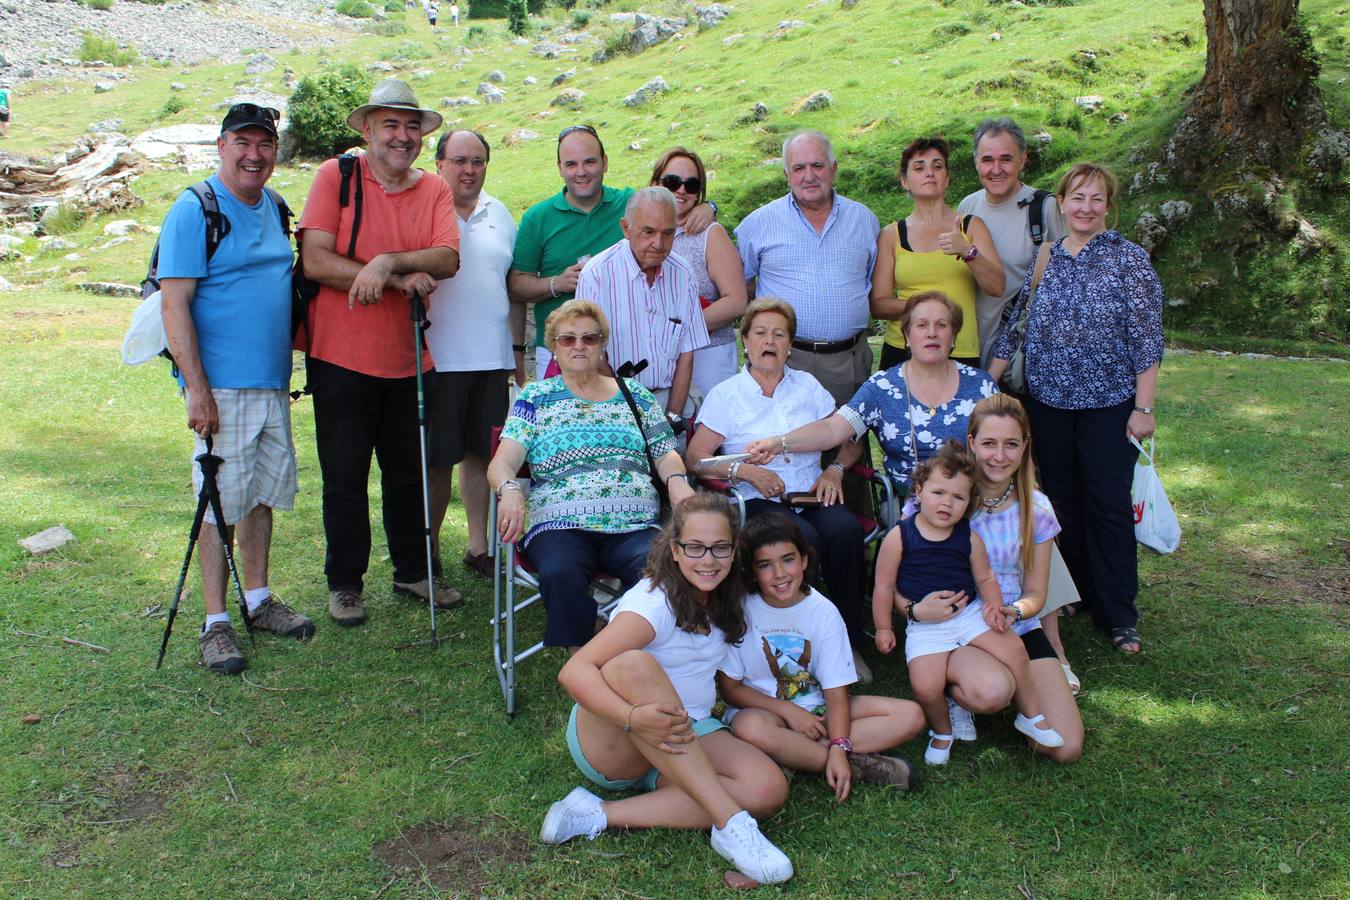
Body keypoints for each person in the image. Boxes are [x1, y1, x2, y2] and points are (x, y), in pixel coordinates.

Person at [542, 492, 794, 885]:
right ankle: (731, 827)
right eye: (695, 547)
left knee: (767, 788)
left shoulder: (728, 598)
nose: (707, 560)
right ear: (675, 550)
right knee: (634, 663)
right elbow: (574, 671)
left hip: (686, 728)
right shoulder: (653, 602)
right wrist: (633, 717)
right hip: (617, 736)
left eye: (719, 548)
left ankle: (595, 813)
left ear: (734, 551)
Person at [298, 80, 460, 627]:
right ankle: (345, 583)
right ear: (367, 130)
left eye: (412, 126)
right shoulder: (334, 176)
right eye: (390, 124)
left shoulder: (434, 188)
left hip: (409, 357)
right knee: (344, 476)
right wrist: (394, 279)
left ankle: (414, 570)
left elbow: (446, 258)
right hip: (339, 355)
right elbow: (315, 262)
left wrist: (386, 260)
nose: (403, 136)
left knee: (408, 473)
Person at [159, 103, 313, 674]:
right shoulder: (194, 208)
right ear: (221, 145)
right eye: (242, 142)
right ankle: (216, 621)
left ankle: (259, 597)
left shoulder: (274, 206)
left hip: (272, 383)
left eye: (265, 144)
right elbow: (174, 306)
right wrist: (196, 389)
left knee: (262, 495)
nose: (254, 154)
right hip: (220, 387)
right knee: (218, 504)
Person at [990, 163, 1164, 655]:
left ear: (1108, 205)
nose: (1085, 207)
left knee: (1107, 504)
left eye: (1096, 198)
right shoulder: (1049, 256)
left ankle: (1118, 612)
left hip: (1109, 405)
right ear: (1062, 203)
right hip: (1049, 403)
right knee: (1062, 502)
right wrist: (992, 379)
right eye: (1077, 198)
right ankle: (1078, 592)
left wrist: (1143, 407)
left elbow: (1147, 341)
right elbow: (1017, 324)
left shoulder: (1129, 261)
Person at [487, 300, 696, 650]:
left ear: (602, 346)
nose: (579, 346)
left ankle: (634, 646)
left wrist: (677, 483)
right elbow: (502, 462)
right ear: (553, 347)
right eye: (567, 339)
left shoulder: (635, 395)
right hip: (560, 526)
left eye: (589, 338)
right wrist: (509, 489)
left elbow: (666, 454)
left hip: (634, 525)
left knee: (660, 574)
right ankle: (585, 658)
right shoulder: (537, 397)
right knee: (558, 574)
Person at [687, 299, 870, 673]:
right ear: (746, 342)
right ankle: (800, 644)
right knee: (803, 541)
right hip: (756, 501)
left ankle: (848, 641)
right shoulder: (728, 394)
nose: (769, 341)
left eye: (779, 334)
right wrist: (744, 471)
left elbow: (852, 437)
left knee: (847, 533)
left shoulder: (808, 386)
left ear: (789, 345)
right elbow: (697, 460)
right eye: (760, 333)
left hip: (813, 493)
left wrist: (834, 470)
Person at [871, 441, 1063, 765]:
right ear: (918, 491)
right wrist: (883, 628)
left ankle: (1031, 715)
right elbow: (883, 586)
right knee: (925, 685)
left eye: (958, 497)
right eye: (938, 493)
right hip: (925, 625)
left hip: (968, 615)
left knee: (1015, 650)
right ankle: (942, 730)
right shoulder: (900, 537)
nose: (947, 503)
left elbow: (986, 578)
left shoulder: (969, 537)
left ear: (968, 504)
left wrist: (993, 608)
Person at [717, 513, 923, 798]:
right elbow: (729, 689)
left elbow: (836, 693)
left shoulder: (823, 612)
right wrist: (787, 711)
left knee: (910, 715)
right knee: (750, 728)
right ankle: (856, 764)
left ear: (804, 560)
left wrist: (838, 743)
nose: (779, 573)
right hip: (764, 713)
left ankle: (794, 755)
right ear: (752, 572)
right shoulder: (741, 610)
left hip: (820, 712)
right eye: (765, 565)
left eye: (788, 560)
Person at [745, 291, 997, 500]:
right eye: (922, 325)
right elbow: (833, 430)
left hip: (973, 503)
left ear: (953, 336)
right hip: (911, 508)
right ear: (907, 336)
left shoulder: (980, 385)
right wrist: (780, 443)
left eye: (941, 325)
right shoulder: (882, 387)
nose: (932, 333)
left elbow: (1004, 446)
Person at [510, 126, 715, 380]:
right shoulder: (537, 218)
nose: (582, 172)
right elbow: (516, 284)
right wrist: (557, 283)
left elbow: (664, 209)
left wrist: (708, 206)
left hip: (629, 351)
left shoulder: (628, 201)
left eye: (590, 162)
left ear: (605, 163)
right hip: (560, 351)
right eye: (571, 164)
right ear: (560, 167)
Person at [946, 394, 1085, 761]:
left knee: (1064, 747)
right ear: (972, 442)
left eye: (1011, 444)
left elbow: (1037, 593)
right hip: (957, 627)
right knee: (991, 692)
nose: (999, 456)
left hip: (1014, 625)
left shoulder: (1036, 508)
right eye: (989, 443)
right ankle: (964, 690)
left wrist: (1016, 612)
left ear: (1025, 447)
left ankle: (1015, 688)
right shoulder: (945, 498)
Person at [425, 130, 518, 584]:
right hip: (440, 359)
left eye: (478, 161)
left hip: (492, 358)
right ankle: (429, 551)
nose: (469, 169)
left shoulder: (499, 212)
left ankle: (478, 546)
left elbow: (509, 283)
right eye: (459, 160)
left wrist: (515, 353)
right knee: (437, 461)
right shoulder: (424, 209)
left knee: (483, 457)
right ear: (439, 163)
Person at [735, 130, 880, 406]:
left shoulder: (864, 220)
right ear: (786, 175)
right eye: (798, 168)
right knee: (786, 445)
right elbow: (738, 285)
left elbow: (868, 280)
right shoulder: (758, 224)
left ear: (834, 169)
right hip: (787, 359)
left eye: (817, 165)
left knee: (849, 445)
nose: (808, 176)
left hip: (850, 361)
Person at [870, 136, 1004, 371]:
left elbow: (996, 287)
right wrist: (926, 307)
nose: (929, 173)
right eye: (919, 168)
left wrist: (968, 251)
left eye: (937, 166)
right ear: (905, 181)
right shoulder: (892, 234)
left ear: (947, 179)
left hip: (960, 349)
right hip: (903, 349)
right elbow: (879, 305)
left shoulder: (971, 227)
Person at [576, 187, 710, 419]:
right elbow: (593, 354)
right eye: (648, 232)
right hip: (612, 405)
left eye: (668, 233)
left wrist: (673, 417)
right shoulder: (596, 275)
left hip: (669, 399)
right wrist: (624, 415)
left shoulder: (683, 273)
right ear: (626, 228)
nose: (658, 243)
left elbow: (686, 354)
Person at [958, 118, 1065, 369]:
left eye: (1005, 159)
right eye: (987, 160)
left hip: (1020, 355)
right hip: (969, 349)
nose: (996, 169)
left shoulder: (1043, 208)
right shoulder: (967, 207)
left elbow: (1065, 284)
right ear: (976, 162)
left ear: (1022, 160)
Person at [649, 147, 747, 397]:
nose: (681, 190)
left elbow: (736, 301)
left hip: (708, 358)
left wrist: (676, 331)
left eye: (691, 185)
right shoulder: (643, 233)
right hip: (656, 359)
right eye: (672, 182)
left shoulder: (710, 234)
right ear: (655, 183)